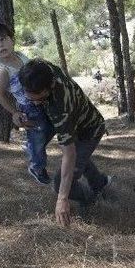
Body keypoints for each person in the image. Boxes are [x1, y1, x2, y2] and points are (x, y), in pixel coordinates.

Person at [18, 59, 113, 226]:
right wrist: (15, 113)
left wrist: (62, 199)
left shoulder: (60, 108)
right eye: (30, 98)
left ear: (51, 85)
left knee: (59, 182)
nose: (35, 104)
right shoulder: (42, 68)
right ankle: (101, 183)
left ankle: (89, 200)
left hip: (89, 130)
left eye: (39, 99)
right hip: (76, 124)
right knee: (81, 159)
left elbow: (69, 153)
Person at [0, 23, 52, 185]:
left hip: (41, 100)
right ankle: (37, 167)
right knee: (40, 131)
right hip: (28, 107)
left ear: (12, 40)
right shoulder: (2, 71)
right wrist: (14, 112)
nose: (0, 44)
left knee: (49, 129)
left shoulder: (21, 56)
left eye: (3, 39)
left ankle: (32, 145)